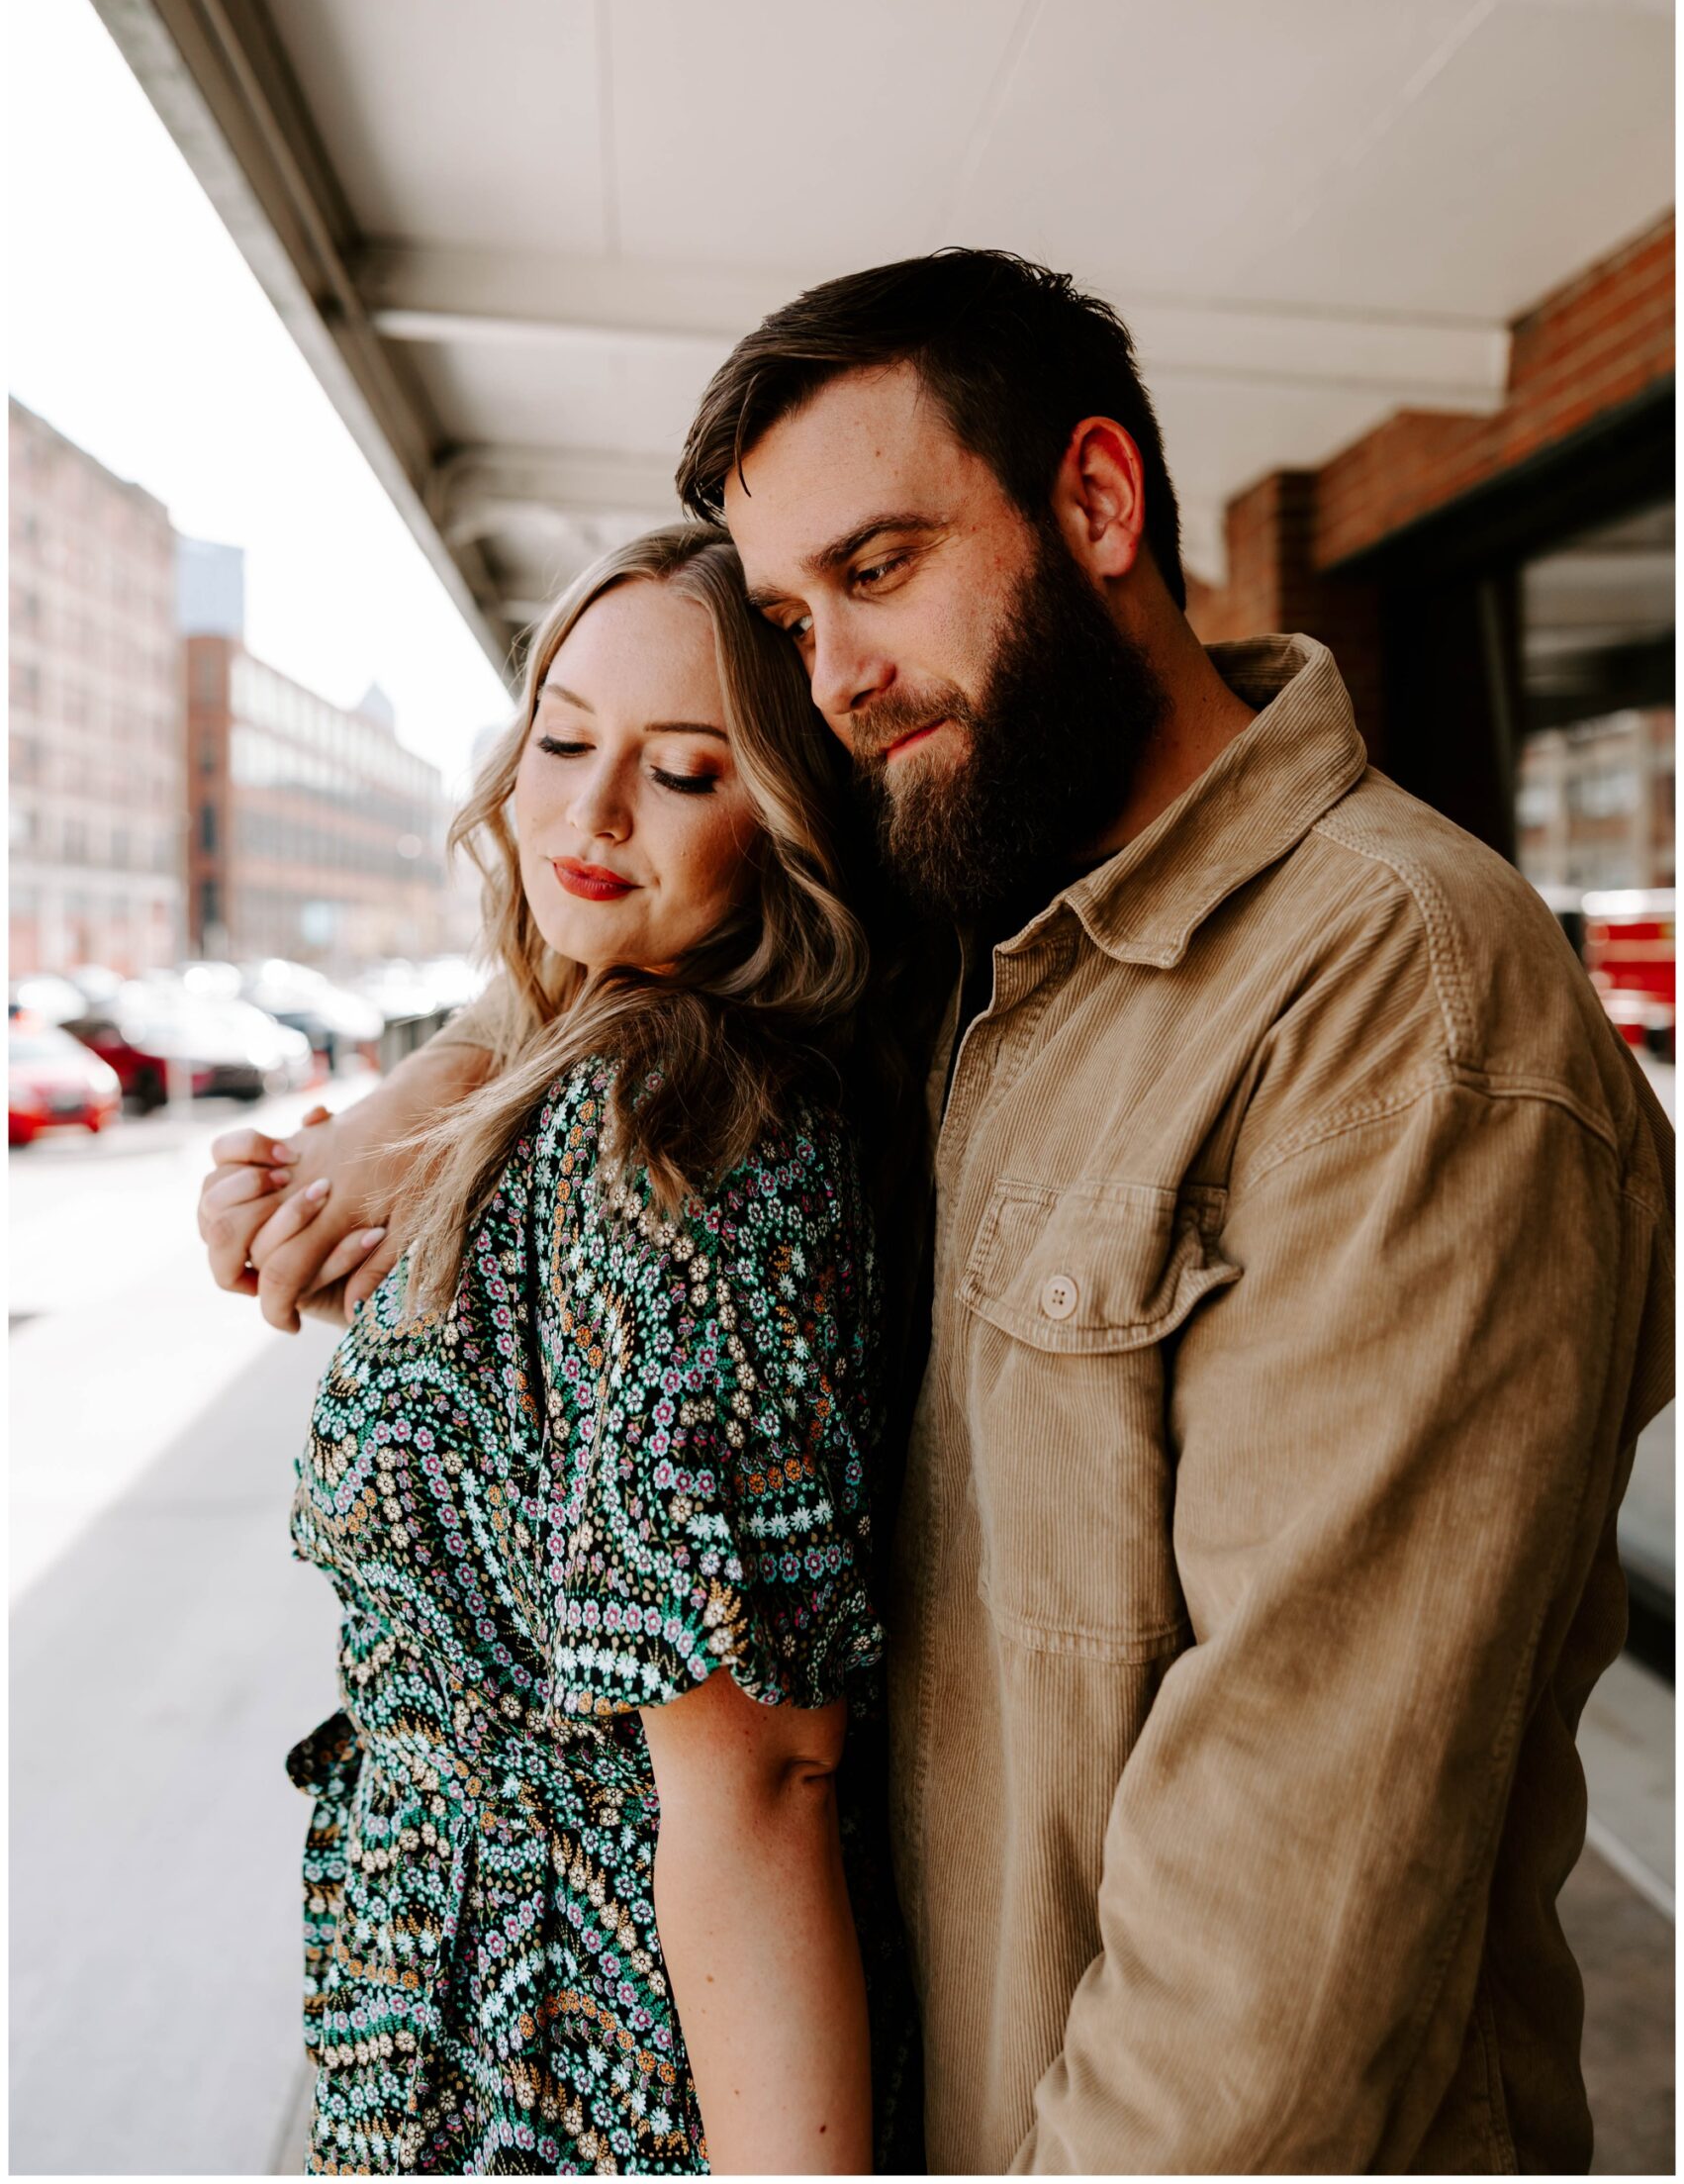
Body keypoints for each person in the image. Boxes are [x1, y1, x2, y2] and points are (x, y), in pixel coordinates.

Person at [204, 252, 1673, 2176]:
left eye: (876, 569)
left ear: (1093, 502)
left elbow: (1292, 1896)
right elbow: (648, 916)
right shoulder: (990, 911)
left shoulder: (1393, 1007)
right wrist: (427, 1100)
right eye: (796, 616)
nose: (836, 671)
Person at [243, 522, 919, 2175]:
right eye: (559, 740)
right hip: (456, 2000)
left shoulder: (672, 1133)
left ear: (790, 813)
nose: (587, 813)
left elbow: (757, 1779)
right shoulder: (590, 1073)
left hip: (567, 2049)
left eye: (683, 770)